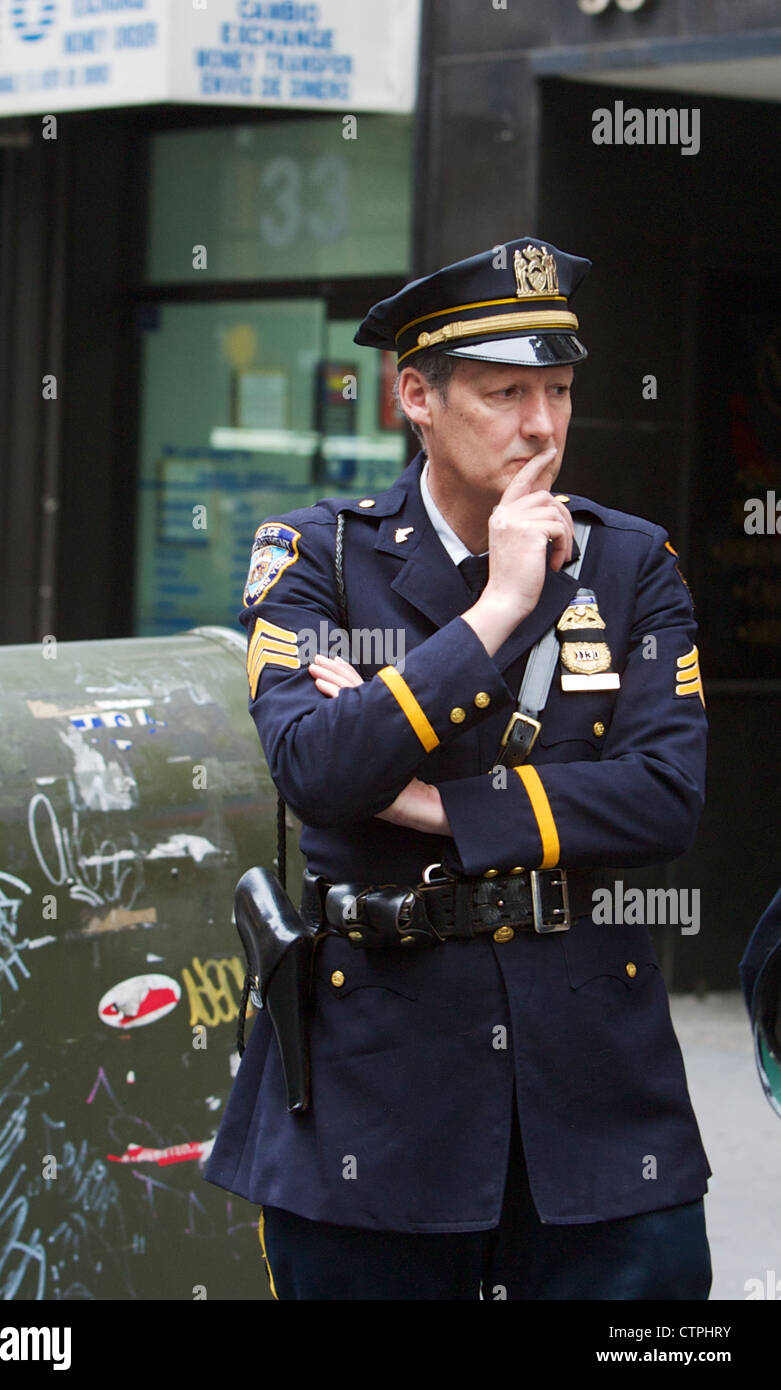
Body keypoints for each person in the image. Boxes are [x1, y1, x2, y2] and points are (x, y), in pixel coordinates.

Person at [204, 238, 713, 1300]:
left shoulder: (631, 562)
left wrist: (442, 807)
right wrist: (497, 610)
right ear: (416, 397)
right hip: (378, 1104)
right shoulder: (318, 560)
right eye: (505, 393)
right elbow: (316, 767)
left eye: (560, 389)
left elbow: (665, 795)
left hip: (598, 1102)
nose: (541, 425)